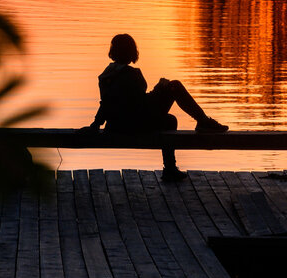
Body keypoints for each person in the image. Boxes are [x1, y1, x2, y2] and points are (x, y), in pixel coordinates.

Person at [86, 33, 228, 182]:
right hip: (133, 124)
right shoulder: (130, 74)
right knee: (174, 90)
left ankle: (171, 168)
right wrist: (158, 91)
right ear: (131, 52)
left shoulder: (108, 73)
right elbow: (138, 104)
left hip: (118, 125)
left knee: (169, 115)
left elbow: (109, 102)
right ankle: (203, 122)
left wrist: (96, 124)